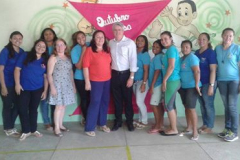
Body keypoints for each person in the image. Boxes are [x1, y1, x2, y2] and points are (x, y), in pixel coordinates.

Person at [14, 39, 49, 141]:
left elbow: (46, 76)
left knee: (33, 110)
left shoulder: (45, 60)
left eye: (43, 47)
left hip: (38, 89)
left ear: (45, 50)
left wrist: (45, 90)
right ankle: (26, 131)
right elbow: (17, 69)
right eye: (39, 45)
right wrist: (17, 84)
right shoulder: (26, 55)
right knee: (23, 109)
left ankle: (33, 130)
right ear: (35, 46)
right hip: (24, 88)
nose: (40, 48)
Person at [109, 22, 138, 132]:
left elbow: (133, 60)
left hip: (126, 74)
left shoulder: (130, 43)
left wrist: (131, 77)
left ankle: (130, 122)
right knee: (117, 100)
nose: (117, 32)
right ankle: (118, 122)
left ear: (123, 31)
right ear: (113, 31)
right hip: (114, 75)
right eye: (115, 30)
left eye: (119, 30)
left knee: (128, 100)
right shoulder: (110, 43)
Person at [83, 30, 112, 137]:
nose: (100, 39)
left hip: (107, 80)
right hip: (95, 81)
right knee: (95, 102)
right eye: (98, 37)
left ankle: (102, 123)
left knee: (104, 102)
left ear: (105, 39)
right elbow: (85, 67)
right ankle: (89, 127)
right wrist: (87, 82)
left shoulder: (107, 50)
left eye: (102, 37)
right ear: (94, 39)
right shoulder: (89, 50)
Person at [215, 28, 240, 142]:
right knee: (227, 106)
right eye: (226, 35)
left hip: (234, 81)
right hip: (221, 80)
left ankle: (234, 132)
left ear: (233, 37)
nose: (228, 38)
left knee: (232, 107)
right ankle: (227, 129)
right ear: (222, 36)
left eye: (230, 36)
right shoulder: (217, 48)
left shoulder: (237, 48)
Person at [47, 38, 76, 137]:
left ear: (65, 46)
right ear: (55, 47)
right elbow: (49, 74)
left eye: (61, 44)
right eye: (57, 45)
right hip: (57, 85)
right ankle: (56, 128)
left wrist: (73, 85)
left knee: (63, 106)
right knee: (58, 106)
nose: (60, 47)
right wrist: (52, 87)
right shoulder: (53, 57)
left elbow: (71, 72)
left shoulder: (67, 57)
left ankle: (61, 125)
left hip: (67, 85)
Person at [0, 31, 24, 137]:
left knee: (18, 105)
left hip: (17, 84)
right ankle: (7, 128)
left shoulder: (22, 51)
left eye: (20, 38)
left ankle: (11, 126)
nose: (17, 40)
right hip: (6, 83)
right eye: (15, 38)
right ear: (10, 39)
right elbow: (0, 70)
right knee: (7, 106)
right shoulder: (5, 51)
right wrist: (3, 87)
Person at [178, 40, 201, 140]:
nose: (184, 49)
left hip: (192, 87)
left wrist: (196, 85)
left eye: (187, 47)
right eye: (183, 47)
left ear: (190, 48)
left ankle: (195, 132)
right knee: (186, 107)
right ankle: (188, 127)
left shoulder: (192, 58)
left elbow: (197, 71)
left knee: (191, 108)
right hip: (183, 87)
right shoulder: (181, 59)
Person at [195, 33, 217, 134]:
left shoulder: (211, 53)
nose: (201, 41)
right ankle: (205, 124)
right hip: (199, 83)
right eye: (199, 39)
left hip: (208, 83)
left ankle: (210, 126)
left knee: (208, 104)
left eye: (204, 39)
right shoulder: (196, 52)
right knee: (202, 104)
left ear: (208, 41)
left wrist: (211, 86)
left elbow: (213, 70)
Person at [159, 31, 181, 136]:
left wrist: (164, 80)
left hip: (171, 80)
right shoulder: (169, 50)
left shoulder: (171, 50)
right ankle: (173, 126)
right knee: (172, 105)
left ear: (171, 38)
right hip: (172, 80)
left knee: (168, 105)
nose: (163, 41)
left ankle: (174, 129)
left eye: (166, 38)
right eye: (162, 39)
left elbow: (171, 67)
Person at [39, 28, 58, 130]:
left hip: (56, 78)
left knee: (55, 100)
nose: (48, 36)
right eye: (45, 34)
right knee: (44, 100)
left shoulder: (57, 46)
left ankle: (55, 121)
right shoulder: (41, 47)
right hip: (44, 77)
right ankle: (47, 122)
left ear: (54, 35)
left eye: (50, 34)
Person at [70, 31, 90, 125]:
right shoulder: (75, 50)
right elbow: (78, 66)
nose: (81, 39)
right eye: (78, 38)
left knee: (92, 98)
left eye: (83, 36)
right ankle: (86, 118)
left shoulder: (91, 45)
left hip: (92, 78)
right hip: (80, 78)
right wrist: (83, 52)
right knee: (84, 99)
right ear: (76, 40)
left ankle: (92, 117)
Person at [148, 40, 165, 134]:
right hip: (158, 84)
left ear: (161, 48)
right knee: (158, 105)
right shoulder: (157, 57)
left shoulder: (158, 57)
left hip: (157, 84)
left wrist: (152, 85)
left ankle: (158, 126)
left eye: (157, 47)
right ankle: (159, 124)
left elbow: (157, 71)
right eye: (153, 46)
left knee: (154, 105)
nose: (154, 48)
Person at [133, 35, 150, 129]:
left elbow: (146, 70)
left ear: (145, 43)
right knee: (139, 101)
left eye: (142, 41)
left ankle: (144, 121)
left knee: (139, 102)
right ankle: (140, 120)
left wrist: (144, 84)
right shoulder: (135, 52)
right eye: (138, 40)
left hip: (142, 81)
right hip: (135, 81)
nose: (139, 42)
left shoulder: (145, 54)